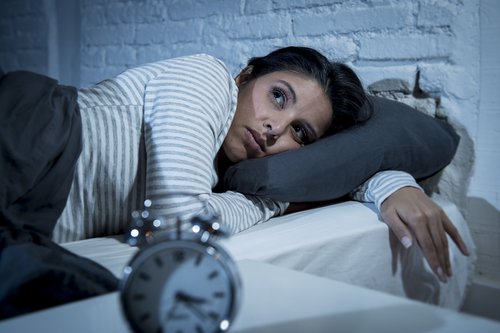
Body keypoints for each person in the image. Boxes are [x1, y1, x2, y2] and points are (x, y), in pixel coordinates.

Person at [0, 47, 468, 317]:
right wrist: (268, 205)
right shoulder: (204, 78)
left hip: (30, 213)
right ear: (246, 75)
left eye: (300, 132)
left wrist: (394, 186)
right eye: (277, 96)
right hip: (34, 132)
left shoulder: (234, 174)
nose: (274, 128)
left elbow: (340, 167)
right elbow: (176, 225)